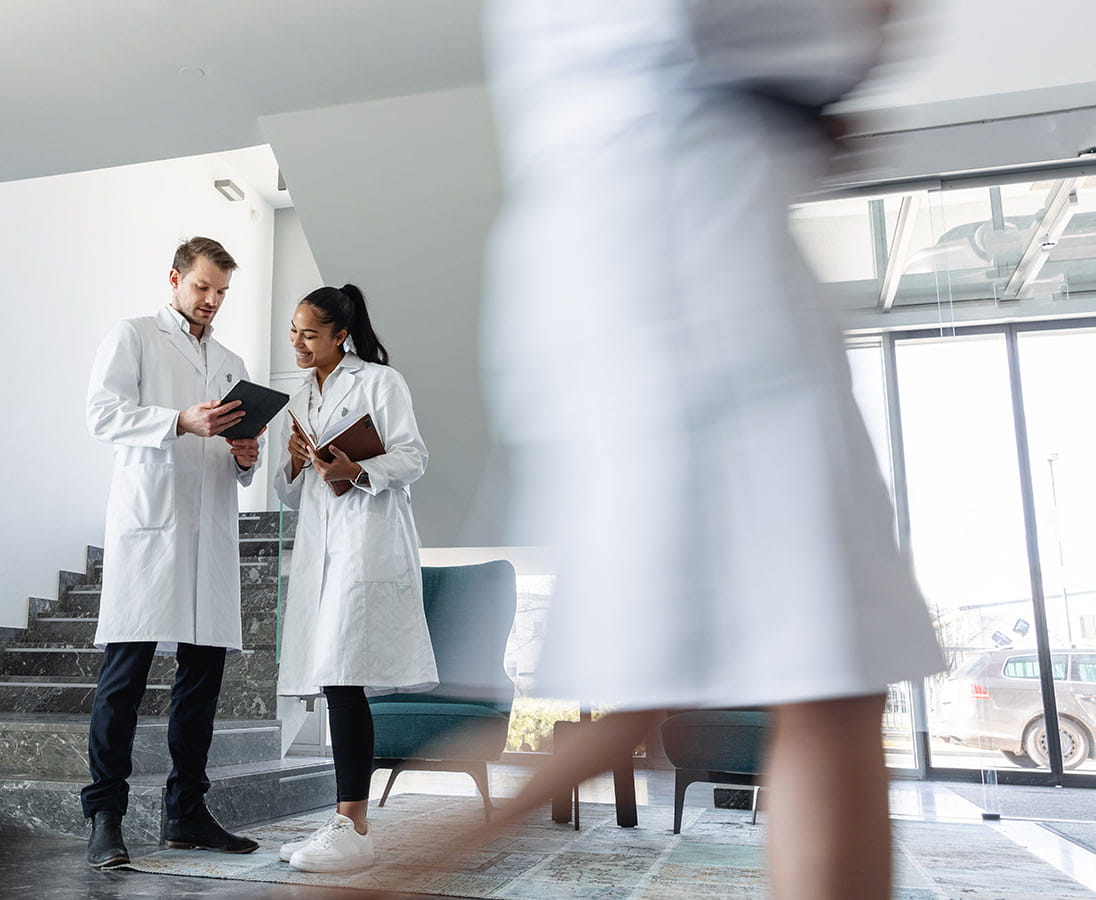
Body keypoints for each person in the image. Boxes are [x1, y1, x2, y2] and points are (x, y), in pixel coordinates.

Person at [471, 2, 944, 897]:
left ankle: (396, 861)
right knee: (832, 678)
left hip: (630, 258)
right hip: (699, 264)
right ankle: (387, 866)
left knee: (813, 677)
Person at [81, 236, 265, 868]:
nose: (211, 301)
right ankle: (105, 817)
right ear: (175, 278)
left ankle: (185, 813)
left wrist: (246, 457)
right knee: (124, 678)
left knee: (201, 680)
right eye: (201, 287)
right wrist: (178, 422)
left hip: (208, 529)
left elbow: (233, 446)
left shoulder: (232, 359)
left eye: (221, 292)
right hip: (150, 528)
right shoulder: (132, 336)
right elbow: (102, 416)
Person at [272, 284, 437, 874]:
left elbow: (413, 457)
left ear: (340, 334)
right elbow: (286, 492)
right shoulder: (300, 395)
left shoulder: (380, 382)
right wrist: (295, 461)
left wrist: (356, 468)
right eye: (294, 330)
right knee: (336, 679)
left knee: (344, 680)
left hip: (366, 545)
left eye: (309, 333)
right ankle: (347, 823)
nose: (297, 341)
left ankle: (353, 826)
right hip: (323, 549)